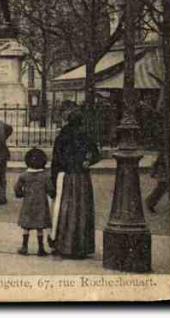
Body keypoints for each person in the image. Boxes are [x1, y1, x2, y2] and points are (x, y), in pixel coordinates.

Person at [50, 108, 101, 258]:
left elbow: (56, 160)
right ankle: (81, 246)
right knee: (82, 210)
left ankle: (63, 244)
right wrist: (87, 161)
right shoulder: (86, 135)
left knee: (65, 210)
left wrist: (53, 180)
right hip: (82, 177)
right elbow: (96, 155)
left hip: (66, 176)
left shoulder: (62, 136)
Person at [14, 148, 54, 256]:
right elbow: (50, 189)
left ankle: (24, 246)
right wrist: (52, 194)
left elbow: (17, 188)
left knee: (26, 227)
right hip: (41, 205)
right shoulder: (45, 176)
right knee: (40, 227)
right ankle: (41, 248)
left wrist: (20, 194)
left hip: (28, 204)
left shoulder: (24, 175)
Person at [146, 143, 170, 213]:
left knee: (163, 186)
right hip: (164, 168)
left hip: (165, 166)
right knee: (163, 186)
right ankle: (150, 202)